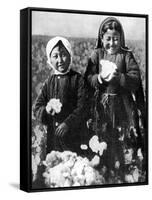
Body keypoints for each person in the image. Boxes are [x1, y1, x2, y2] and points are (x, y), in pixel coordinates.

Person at [84, 17, 145, 176]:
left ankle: (128, 170)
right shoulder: (97, 54)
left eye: (116, 39)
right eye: (108, 39)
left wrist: (120, 78)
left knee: (124, 136)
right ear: (102, 38)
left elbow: (135, 80)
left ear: (121, 38)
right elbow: (87, 78)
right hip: (102, 104)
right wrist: (98, 79)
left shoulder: (126, 55)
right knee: (103, 135)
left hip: (122, 104)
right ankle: (106, 168)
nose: (112, 43)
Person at [33, 36, 87, 155]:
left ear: (70, 56)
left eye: (63, 54)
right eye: (55, 56)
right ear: (49, 60)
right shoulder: (49, 82)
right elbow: (37, 107)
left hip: (74, 138)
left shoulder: (77, 79)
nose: (60, 60)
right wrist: (46, 110)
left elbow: (83, 107)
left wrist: (68, 123)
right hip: (53, 139)